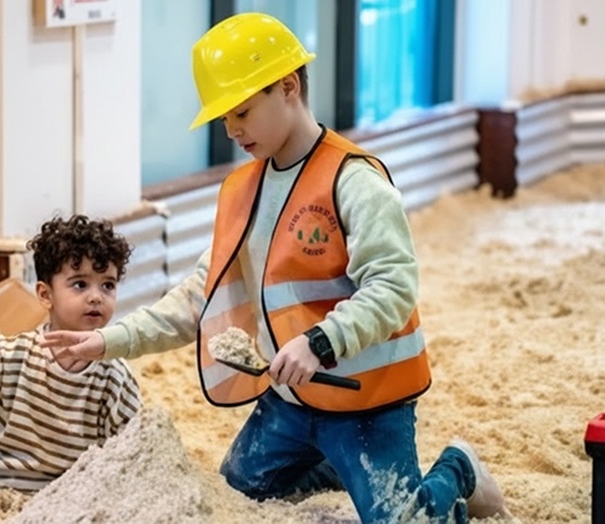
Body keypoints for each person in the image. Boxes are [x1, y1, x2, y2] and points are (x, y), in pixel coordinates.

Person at [41, 12, 510, 523]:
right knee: (238, 492)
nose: (232, 130)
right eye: (224, 118)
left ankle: (458, 468)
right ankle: (340, 466)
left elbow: (394, 286)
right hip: (290, 401)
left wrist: (319, 342)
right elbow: (202, 295)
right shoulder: (245, 191)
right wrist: (109, 341)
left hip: (369, 402)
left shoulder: (354, 181)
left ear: (287, 87)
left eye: (241, 112)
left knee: (402, 520)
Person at [0, 214, 142, 523]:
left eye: (108, 285)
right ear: (45, 295)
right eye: (80, 284)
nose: (96, 296)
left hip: (66, 488)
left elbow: (127, 446)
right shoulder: (14, 349)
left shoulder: (115, 376)